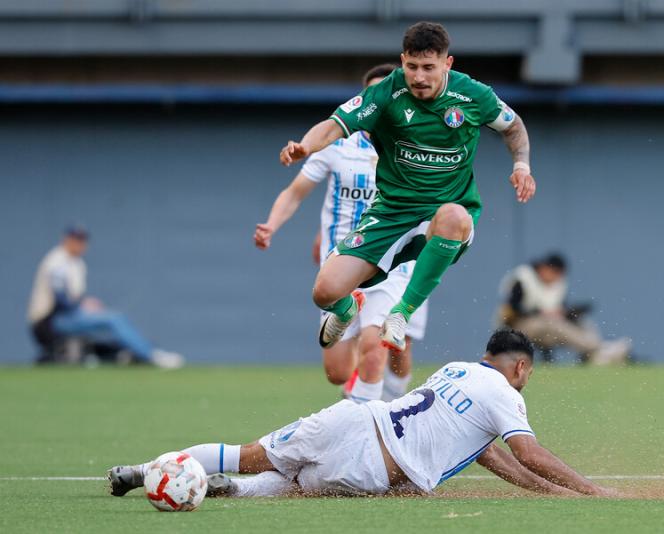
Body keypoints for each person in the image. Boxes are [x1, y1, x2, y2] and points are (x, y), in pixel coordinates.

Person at [108, 329, 619, 499]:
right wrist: (589, 490)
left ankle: (145, 469)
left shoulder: (456, 370)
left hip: (354, 418)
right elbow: (526, 452)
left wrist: (549, 491)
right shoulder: (506, 393)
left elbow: (486, 453)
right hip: (375, 466)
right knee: (300, 486)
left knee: (249, 454)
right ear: (521, 366)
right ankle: (235, 491)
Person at [277, 21, 536, 354]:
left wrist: (521, 165)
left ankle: (401, 313)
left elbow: (513, 127)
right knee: (324, 292)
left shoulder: (473, 95)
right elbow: (334, 126)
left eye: (428, 67)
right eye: (412, 66)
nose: (419, 76)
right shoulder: (386, 93)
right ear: (402, 61)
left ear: (447, 63)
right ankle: (346, 309)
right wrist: (305, 146)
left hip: (444, 214)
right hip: (392, 212)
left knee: (455, 216)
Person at [254, 64, 427, 402]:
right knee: (338, 371)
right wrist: (271, 225)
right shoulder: (339, 146)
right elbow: (295, 193)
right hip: (343, 261)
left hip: (392, 262)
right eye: (374, 94)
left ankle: (381, 416)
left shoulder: (415, 147)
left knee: (382, 348)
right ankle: (367, 396)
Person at [27, 225, 184, 368]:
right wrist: (81, 306)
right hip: (48, 323)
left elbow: (72, 298)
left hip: (63, 317)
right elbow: (60, 300)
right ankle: (151, 355)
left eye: (82, 240)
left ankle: (127, 353)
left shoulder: (76, 262)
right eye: (76, 239)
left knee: (110, 321)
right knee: (113, 319)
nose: (80, 244)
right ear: (66, 239)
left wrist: (84, 303)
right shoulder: (57, 261)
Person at [497, 253, 631, 365]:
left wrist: (570, 312)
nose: (556, 277)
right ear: (544, 268)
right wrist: (541, 313)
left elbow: (560, 308)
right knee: (554, 324)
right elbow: (512, 309)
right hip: (517, 327)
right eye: (554, 273)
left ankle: (595, 354)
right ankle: (600, 349)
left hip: (547, 328)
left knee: (582, 322)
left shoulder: (558, 283)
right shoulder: (524, 277)